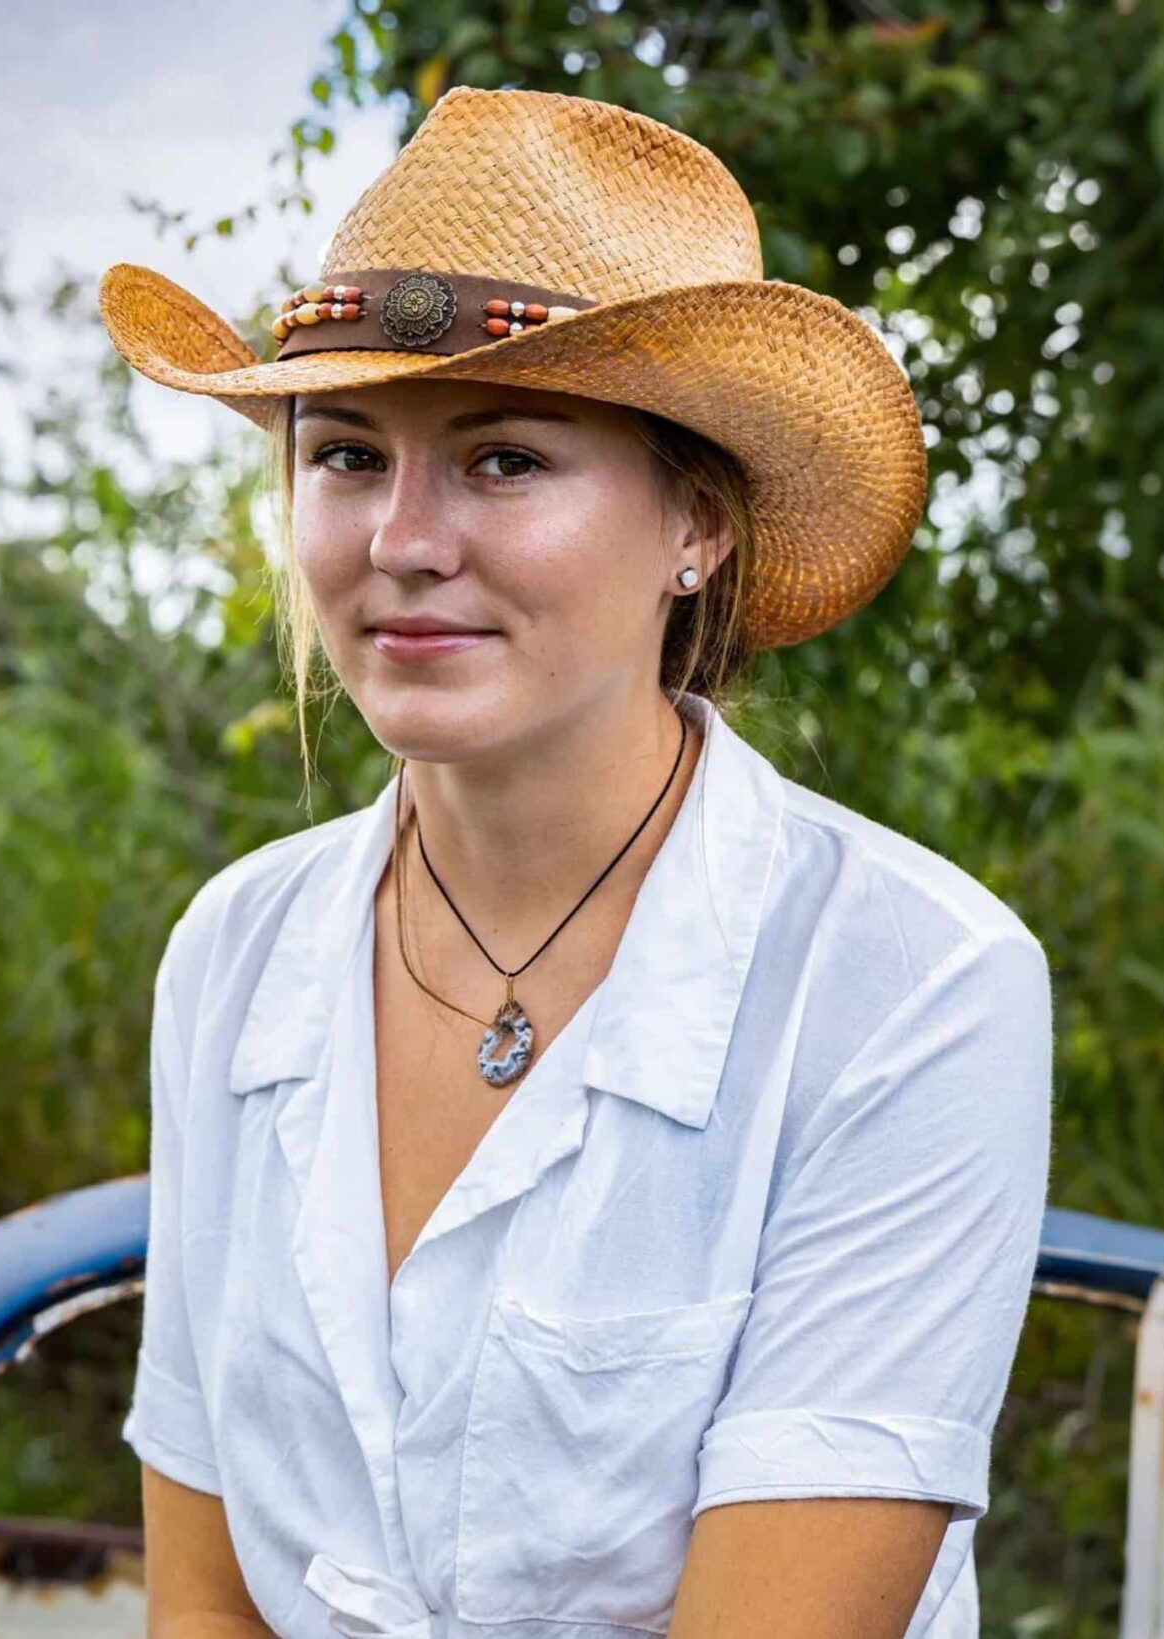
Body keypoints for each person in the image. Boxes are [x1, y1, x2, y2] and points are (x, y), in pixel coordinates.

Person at [98, 85, 1054, 1639]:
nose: (401, 538)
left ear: (698, 522)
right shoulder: (238, 950)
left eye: (504, 461)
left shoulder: (908, 987)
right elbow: (204, 1600)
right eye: (344, 454)